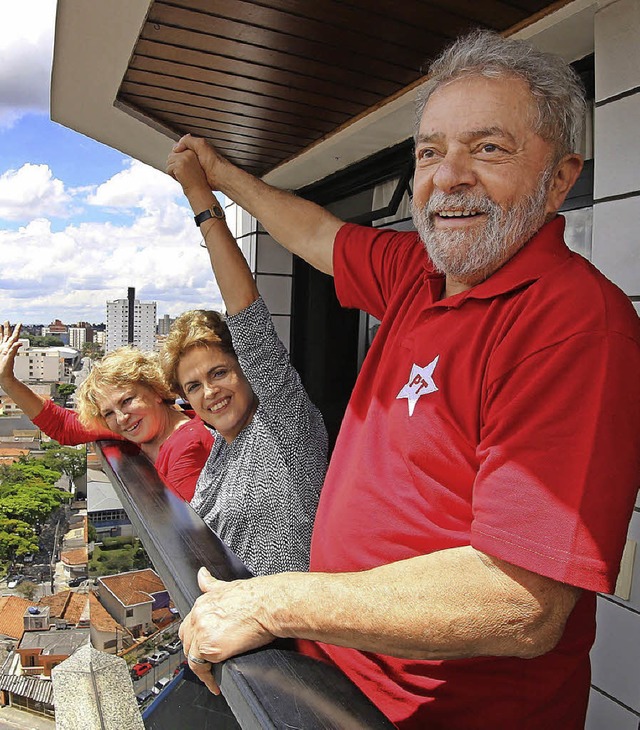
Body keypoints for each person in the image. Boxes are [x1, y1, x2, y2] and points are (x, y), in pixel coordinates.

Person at [174, 30, 640, 729]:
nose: (448, 176)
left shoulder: (573, 324)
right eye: (429, 152)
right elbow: (312, 233)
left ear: (561, 179)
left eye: (488, 148)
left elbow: (520, 603)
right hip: (335, 679)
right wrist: (216, 176)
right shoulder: (418, 276)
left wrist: (273, 600)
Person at [162, 151, 328, 577]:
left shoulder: (284, 428)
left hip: (295, 636)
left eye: (219, 373)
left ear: (246, 368)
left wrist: (199, 196)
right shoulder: (221, 447)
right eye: (194, 386)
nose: (210, 392)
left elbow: (246, 313)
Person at [0, 327, 213, 501]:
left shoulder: (188, 447)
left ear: (156, 390)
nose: (121, 418)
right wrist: (7, 381)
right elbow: (63, 426)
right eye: (109, 413)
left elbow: (193, 539)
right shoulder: (143, 425)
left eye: (128, 400)